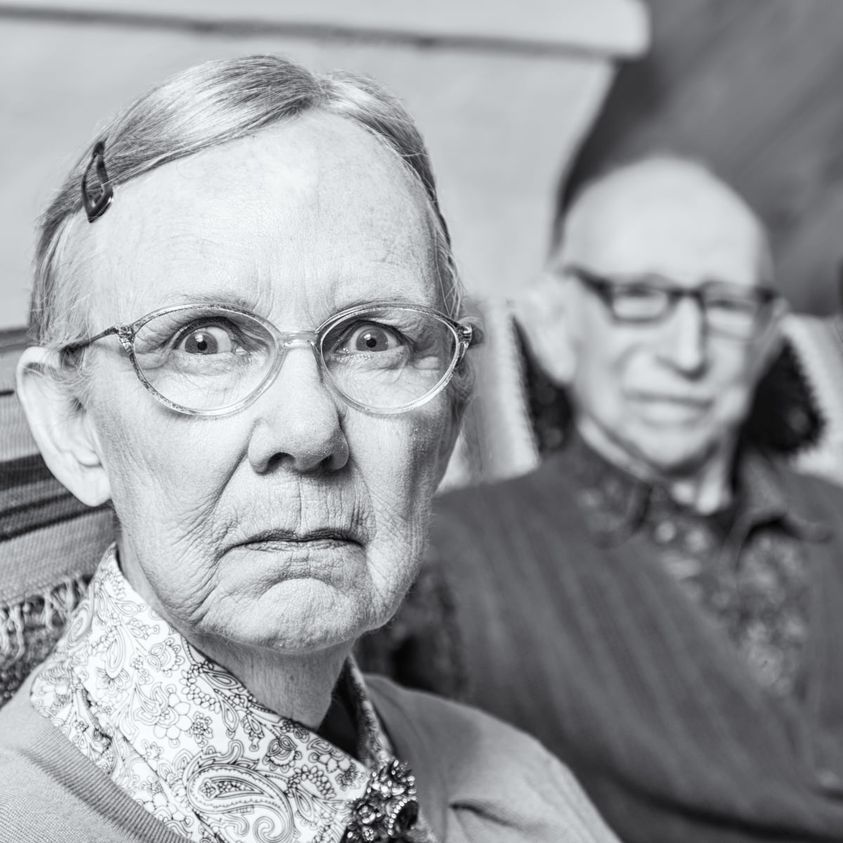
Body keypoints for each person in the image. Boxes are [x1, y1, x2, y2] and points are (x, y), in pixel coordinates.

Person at [0, 56, 618, 843]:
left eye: (372, 339)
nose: (308, 430)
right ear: (74, 423)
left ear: (448, 419)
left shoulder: (516, 784)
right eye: (205, 341)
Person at [369, 157, 843, 841]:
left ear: (767, 337)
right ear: (555, 326)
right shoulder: (435, 557)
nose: (686, 353)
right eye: (640, 297)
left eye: (726, 306)